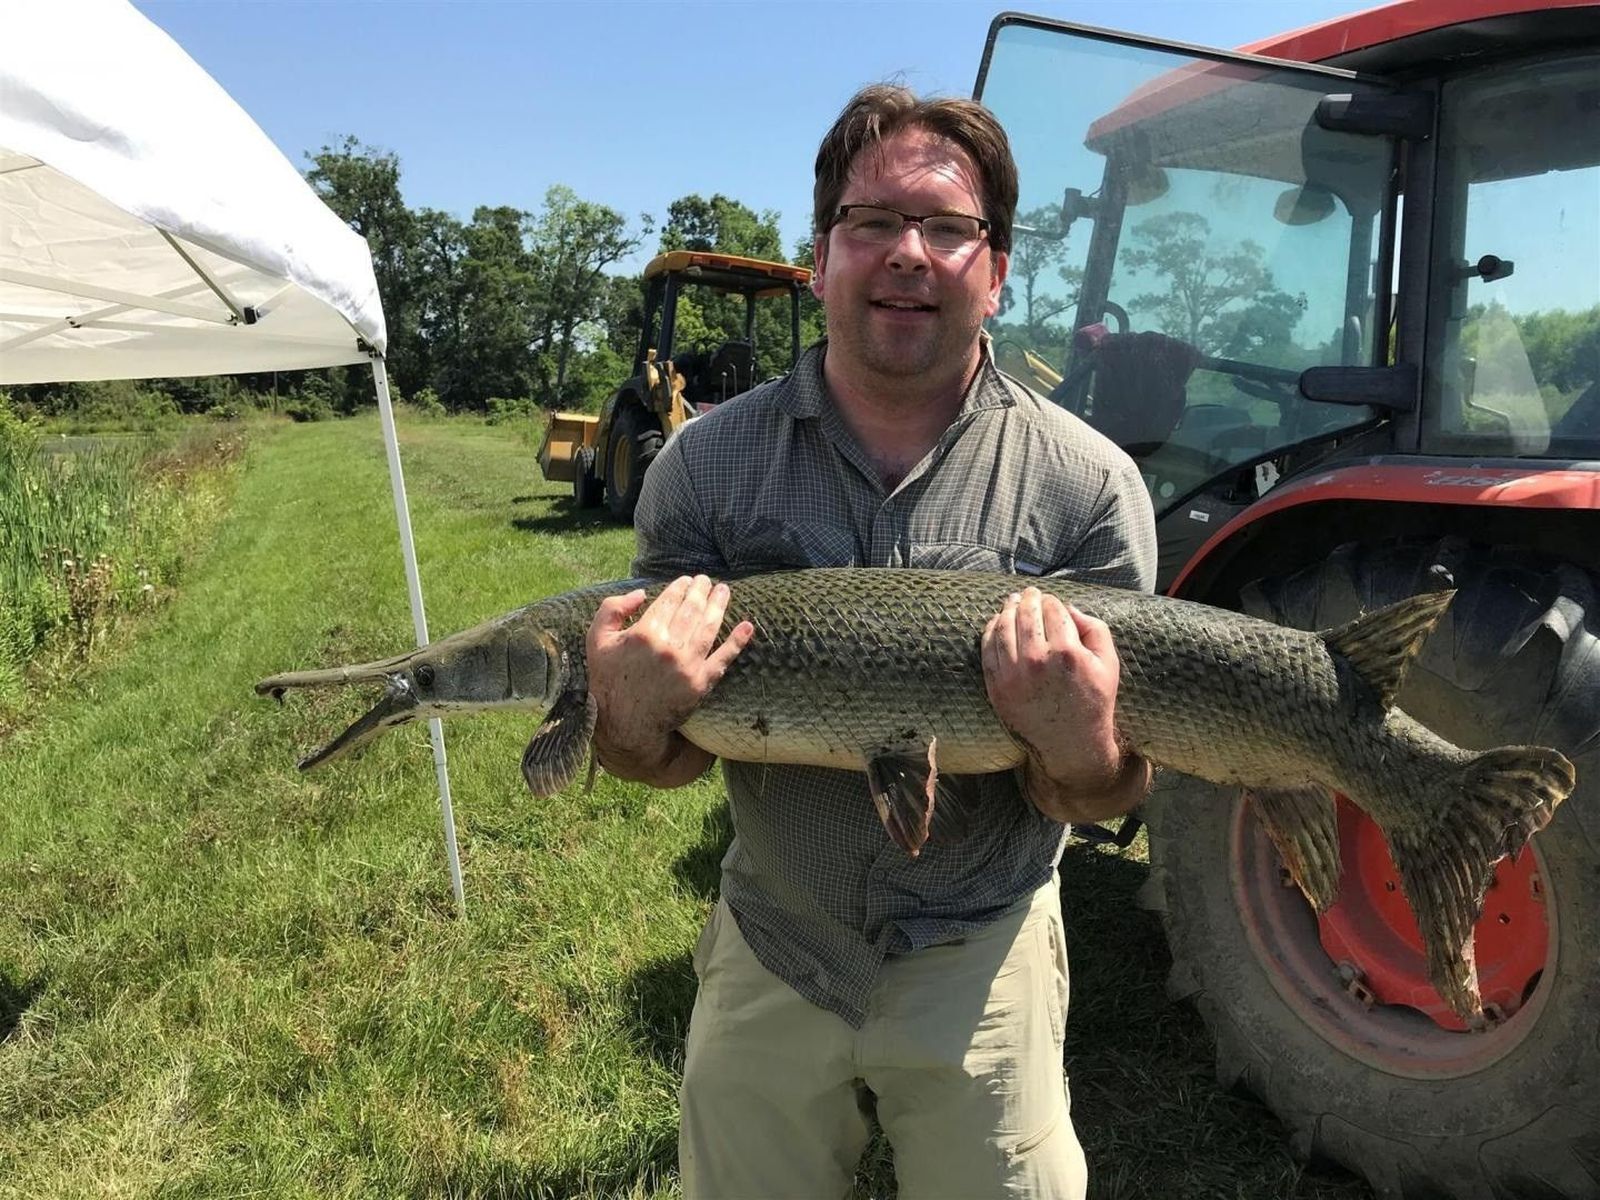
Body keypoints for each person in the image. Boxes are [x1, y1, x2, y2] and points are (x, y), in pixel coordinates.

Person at [584, 84, 1157, 1200]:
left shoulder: (1089, 486)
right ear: (820, 258)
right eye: (872, 223)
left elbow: (1103, 795)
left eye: (948, 229)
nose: (908, 253)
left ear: (996, 272)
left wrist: (1079, 748)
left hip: (982, 953)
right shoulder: (701, 468)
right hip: (776, 937)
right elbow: (658, 758)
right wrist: (630, 711)